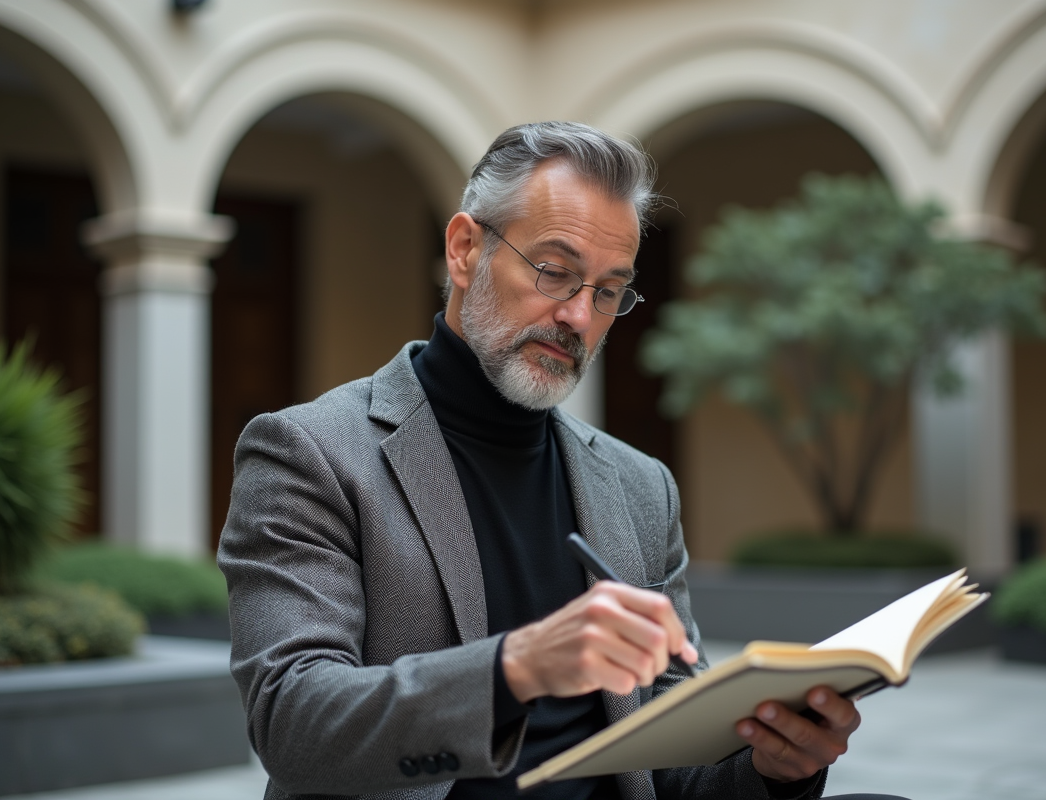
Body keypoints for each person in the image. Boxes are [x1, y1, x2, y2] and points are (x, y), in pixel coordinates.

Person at [218, 122, 901, 800]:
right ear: (464, 250)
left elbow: (678, 765)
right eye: (554, 272)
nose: (579, 316)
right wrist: (516, 669)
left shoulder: (640, 487)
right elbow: (290, 720)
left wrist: (774, 767)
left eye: (608, 292)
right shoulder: (311, 452)